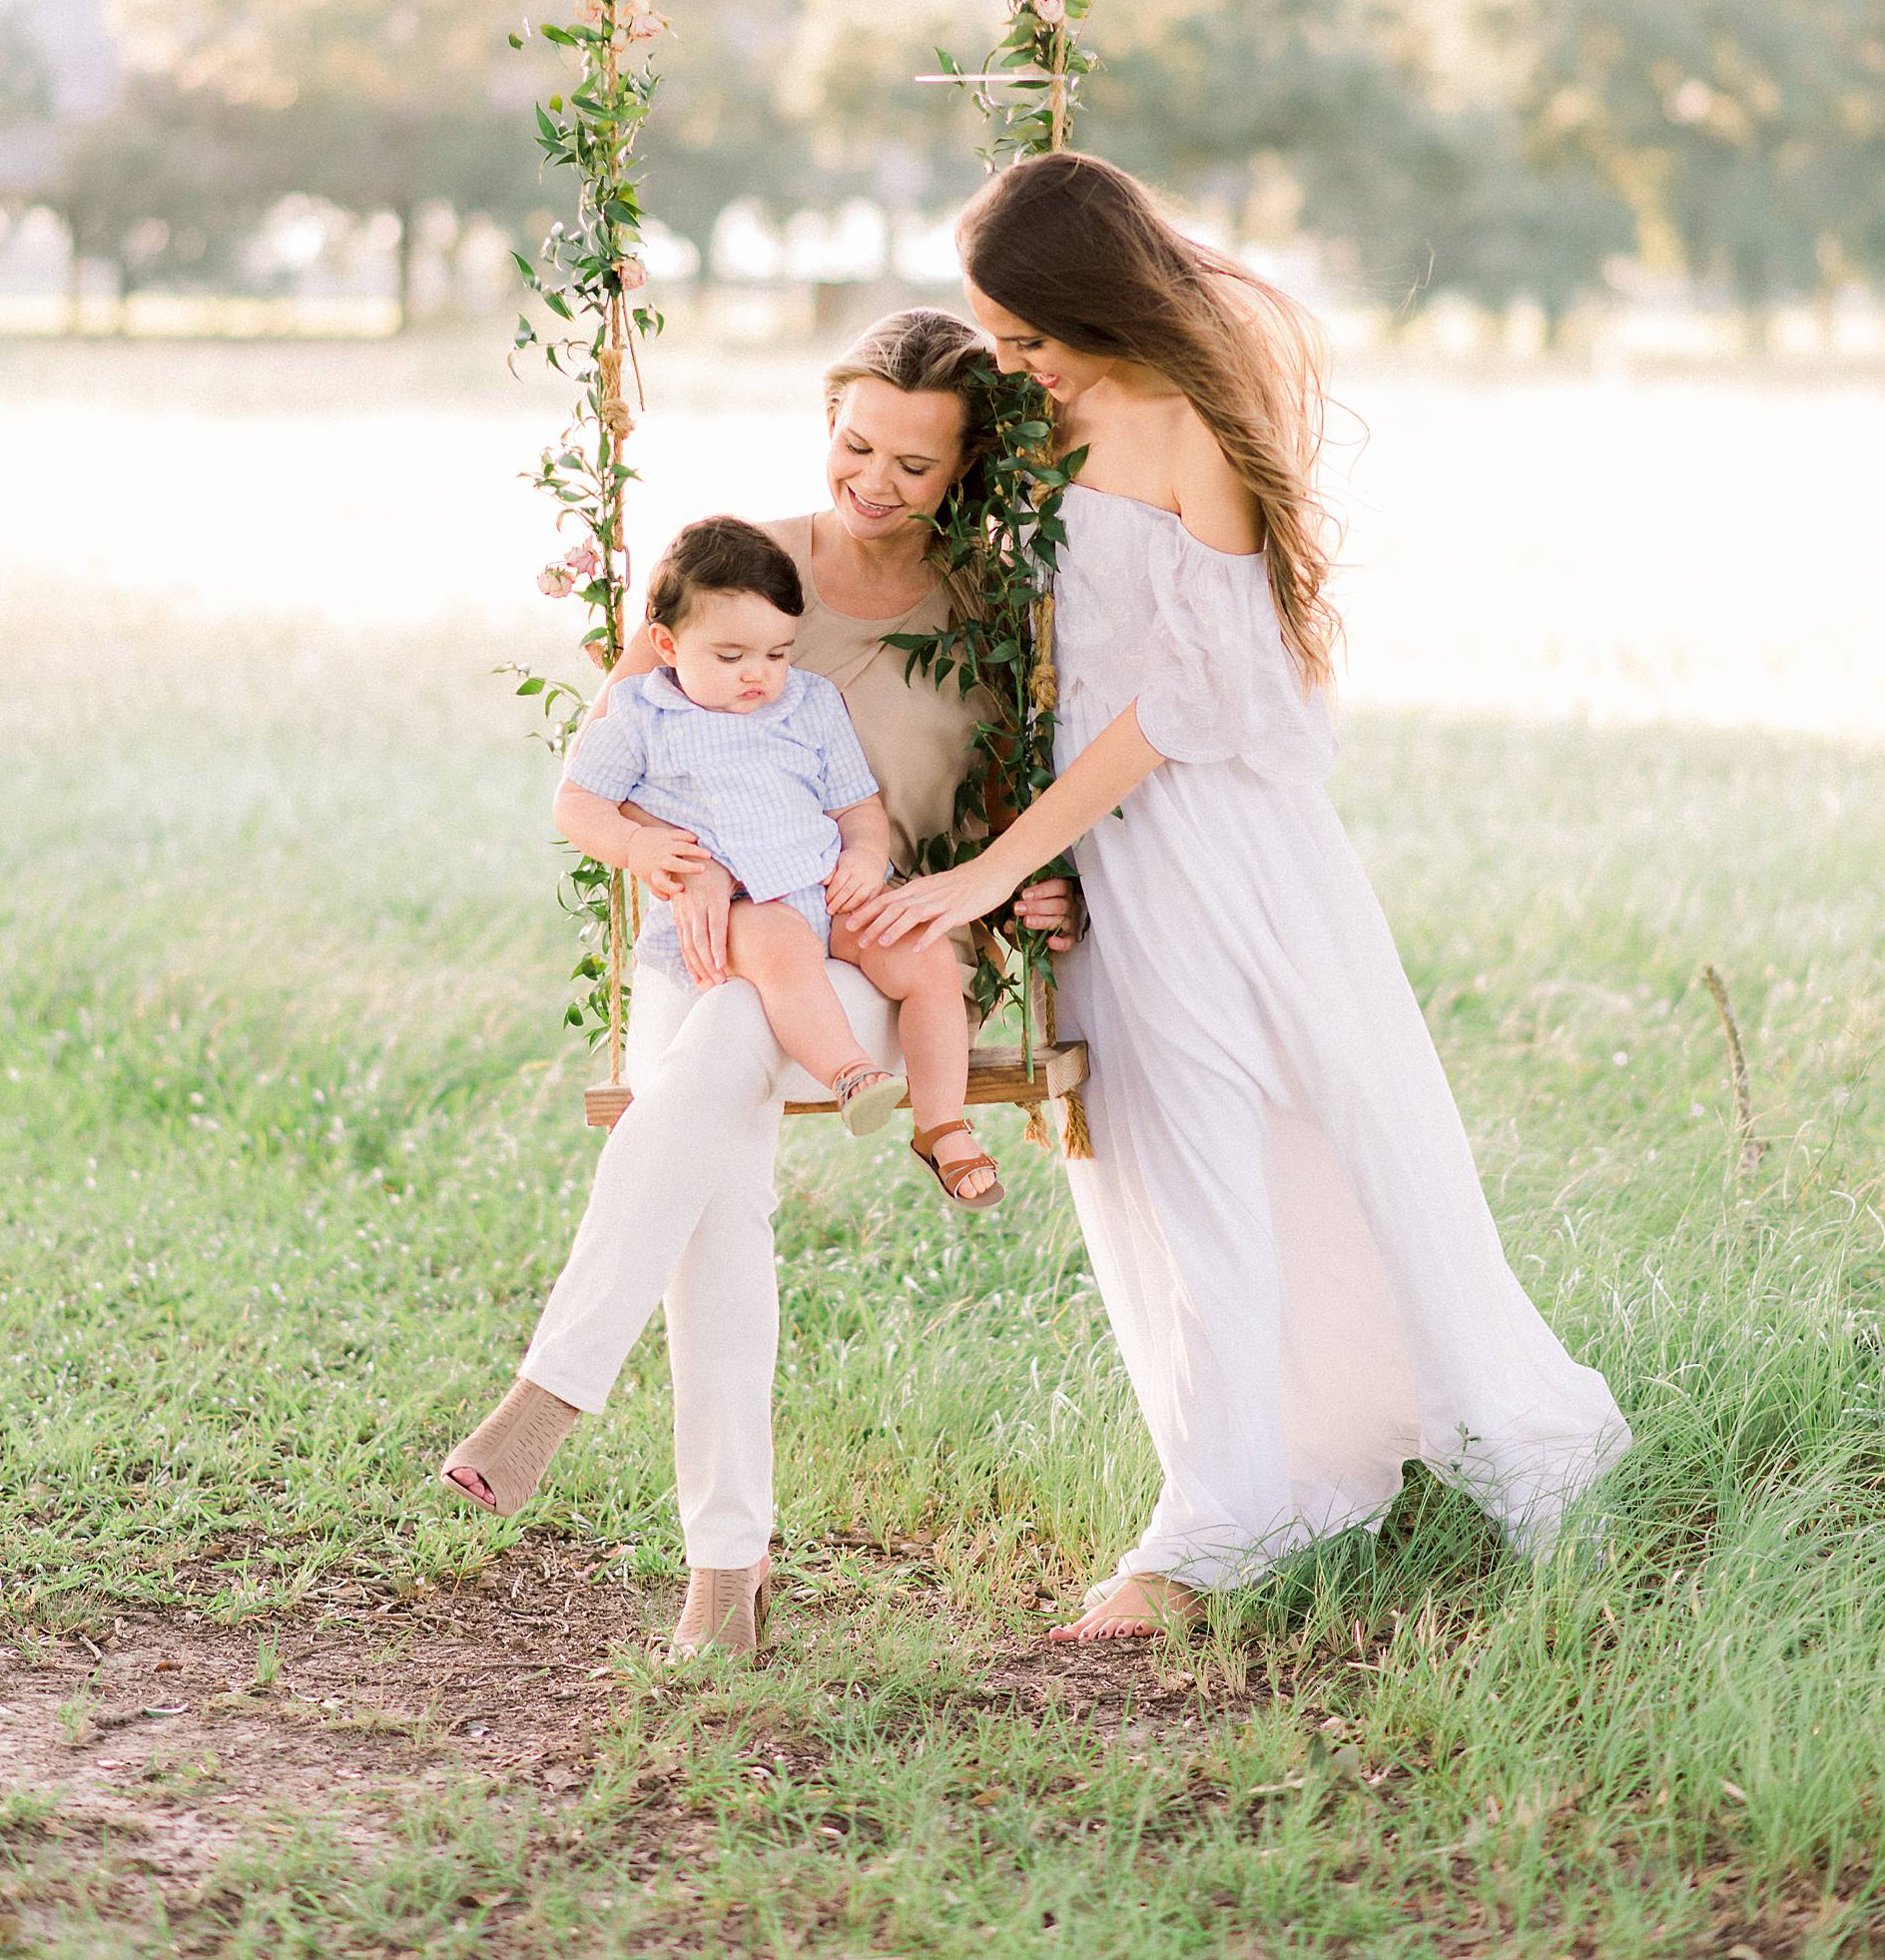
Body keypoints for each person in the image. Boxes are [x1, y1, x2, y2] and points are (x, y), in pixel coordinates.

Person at [868, 153, 1632, 1639]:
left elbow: (1184, 701)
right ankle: (1241, 1484)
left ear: (1092, 299)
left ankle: (1437, 1457)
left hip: (1211, 837)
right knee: (1158, 1162)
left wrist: (999, 860)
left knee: (1307, 1127)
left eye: (1028, 334)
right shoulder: (1044, 418)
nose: (1011, 363)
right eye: (998, 338)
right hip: (1100, 848)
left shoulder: (1189, 426)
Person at [439, 309, 1073, 1657]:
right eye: (856, 444)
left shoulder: (992, 612)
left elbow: (1019, 812)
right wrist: (667, 856)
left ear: (963, 470)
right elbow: (613, 764)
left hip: (873, 960)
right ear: (826, 427)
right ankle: (725, 1579)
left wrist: (1032, 890)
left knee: (730, 1045)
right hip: (703, 935)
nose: (877, 481)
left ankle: (555, 1398)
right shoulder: (732, 569)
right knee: (718, 1179)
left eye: (917, 462)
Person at [554, 510, 999, 1187]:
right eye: (731, 657)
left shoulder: (810, 702)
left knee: (926, 954)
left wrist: (859, 855)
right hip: (739, 909)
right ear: (666, 645)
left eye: (778, 652)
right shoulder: (642, 715)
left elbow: (857, 804)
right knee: (782, 946)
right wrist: (639, 847)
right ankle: (851, 1071)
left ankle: (942, 1122)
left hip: (825, 885)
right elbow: (577, 802)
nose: (758, 675)